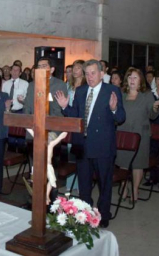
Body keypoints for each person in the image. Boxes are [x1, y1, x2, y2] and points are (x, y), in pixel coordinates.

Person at [55, 59, 125, 228]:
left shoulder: (112, 90)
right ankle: (85, 213)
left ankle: (103, 214)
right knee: (84, 184)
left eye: (93, 73)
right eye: (87, 73)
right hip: (82, 145)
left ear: (102, 73)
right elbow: (76, 115)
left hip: (102, 146)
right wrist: (65, 107)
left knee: (104, 183)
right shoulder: (80, 90)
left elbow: (121, 117)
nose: (90, 76)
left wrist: (114, 108)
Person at [116, 67, 159, 201]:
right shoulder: (121, 94)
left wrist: (155, 107)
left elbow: (152, 116)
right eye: (129, 77)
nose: (132, 80)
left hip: (140, 134)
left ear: (140, 80)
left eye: (135, 77)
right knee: (122, 162)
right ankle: (124, 187)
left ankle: (135, 189)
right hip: (123, 134)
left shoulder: (146, 95)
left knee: (138, 164)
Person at [65, 59, 86, 193]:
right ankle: (70, 183)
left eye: (78, 68)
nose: (75, 70)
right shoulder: (68, 85)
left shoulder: (85, 87)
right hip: (68, 120)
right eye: (74, 68)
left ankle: (80, 185)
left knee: (80, 154)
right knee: (70, 153)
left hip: (79, 121)